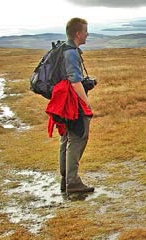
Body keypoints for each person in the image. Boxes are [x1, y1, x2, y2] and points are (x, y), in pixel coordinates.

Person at [58, 17, 94, 194]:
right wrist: (86, 104)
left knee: (67, 139)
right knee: (78, 138)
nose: (87, 34)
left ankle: (66, 180)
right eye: (86, 31)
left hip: (64, 103)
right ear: (78, 34)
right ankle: (72, 182)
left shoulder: (63, 49)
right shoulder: (71, 52)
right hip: (73, 103)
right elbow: (74, 81)